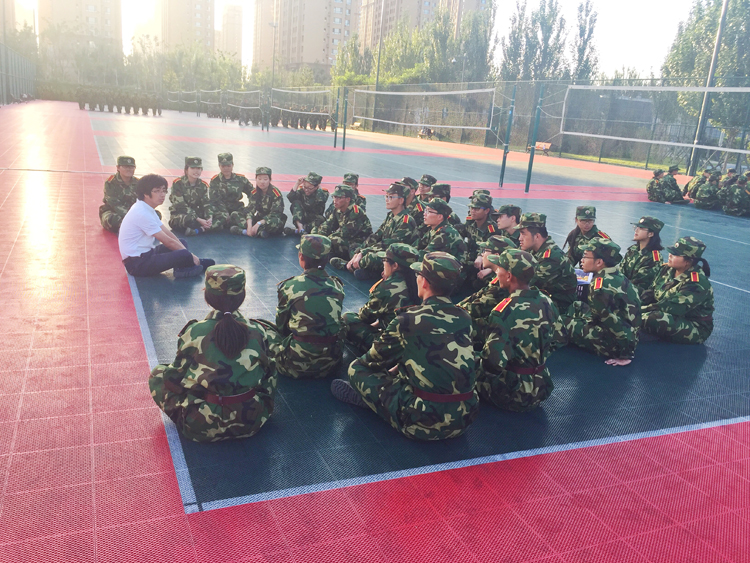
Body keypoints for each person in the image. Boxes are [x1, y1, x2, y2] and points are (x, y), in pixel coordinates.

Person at [333, 252, 479, 441]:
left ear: (424, 282)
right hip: (464, 418)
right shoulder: (464, 317)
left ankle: (372, 401)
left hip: (421, 423)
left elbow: (372, 360)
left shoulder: (408, 320)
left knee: (356, 369)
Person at [148, 265, 278, 442]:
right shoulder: (258, 331)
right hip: (251, 421)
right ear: (242, 296)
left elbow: (174, 379)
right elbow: (268, 373)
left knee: (157, 375)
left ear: (207, 296)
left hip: (201, 426)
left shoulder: (195, 331)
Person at [476, 249, 564, 411]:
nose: (497, 272)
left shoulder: (504, 311)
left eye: (499, 268)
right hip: (541, 386)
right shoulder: (546, 301)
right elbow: (560, 337)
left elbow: (492, 364)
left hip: (513, 392)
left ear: (509, 276)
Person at [270, 235, 344, 378]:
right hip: (330, 364)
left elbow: (281, 326)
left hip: (292, 365)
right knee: (343, 322)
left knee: (265, 330)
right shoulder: (337, 286)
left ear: (301, 257)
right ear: (327, 259)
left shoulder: (290, 286)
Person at [563, 239, 641, 366]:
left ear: (599, 262)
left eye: (585, 256)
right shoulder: (616, 275)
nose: (582, 260)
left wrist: (625, 355)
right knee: (577, 306)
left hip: (612, 343)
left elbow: (614, 323)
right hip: (631, 333)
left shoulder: (600, 287)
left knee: (561, 323)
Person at [119, 174, 214, 278]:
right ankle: (188, 264)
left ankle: (183, 267)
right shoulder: (142, 212)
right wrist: (192, 256)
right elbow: (167, 241)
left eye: (164, 190)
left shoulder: (146, 208)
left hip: (146, 254)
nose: (162, 194)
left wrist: (189, 254)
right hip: (137, 264)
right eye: (157, 191)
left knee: (181, 242)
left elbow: (167, 233)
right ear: (145, 193)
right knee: (182, 252)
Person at [342, 243, 420, 354]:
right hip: (416, 344)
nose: (383, 262)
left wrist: (384, 283)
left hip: (392, 347)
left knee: (348, 318)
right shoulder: (421, 283)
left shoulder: (386, 288)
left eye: (384, 260)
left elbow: (365, 317)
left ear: (395, 265)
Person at [641, 237, 714, 344]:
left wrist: (636, 311)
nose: (670, 255)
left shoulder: (697, 283)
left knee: (653, 318)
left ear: (688, 262)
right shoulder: (667, 269)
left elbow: (671, 307)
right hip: (670, 314)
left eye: (675, 254)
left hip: (693, 326)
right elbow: (650, 292)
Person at [340, 183, 419, 280]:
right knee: (355, 246)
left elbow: (389, 244)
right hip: (385, 251)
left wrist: (364, 252)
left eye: (391, 197)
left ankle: (353, 266)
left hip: (397, 258)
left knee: (371, 258)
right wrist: (360, 250)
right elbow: (376, 236)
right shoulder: (391, 216)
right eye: (386, 196)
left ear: (401, 200)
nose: (387, 199)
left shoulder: (406, 221)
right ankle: (359, 266)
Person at [457, 235, 515, 350]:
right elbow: (477, 296)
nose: (482, 254)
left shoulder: (501, 284)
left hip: (493, 331)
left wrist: (453, 310)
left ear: (496, 256)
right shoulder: (497, 277)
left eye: (485, 251)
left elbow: (478, 307)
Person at [518, 213, 578, 312]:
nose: (520, 238)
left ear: (537, 236)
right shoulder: (532, 250)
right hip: (544, 302)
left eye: (523, 234)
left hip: (560, 309)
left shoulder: (552, 257)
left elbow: (527, 285)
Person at [311, 184, 372, 262]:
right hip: (345, 238)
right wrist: (317, 235)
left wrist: (323, 239)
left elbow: (345, 234)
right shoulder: (338, 209)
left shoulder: (355, 212)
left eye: (339, 198)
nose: (335, 200)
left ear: (348, 199)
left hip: (358, 241)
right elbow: (328, 224)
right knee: (315, 231)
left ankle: (347, 263)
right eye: (334, 197)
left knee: (335, 240)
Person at [169, 157, 218, 236]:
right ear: (186, 169)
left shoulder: (203, 185)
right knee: (187, 220)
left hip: (197, 214)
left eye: (198, 168)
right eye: (192, 168)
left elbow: (206, 203)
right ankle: (202, 229)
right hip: (181, 214)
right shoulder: (178, 184)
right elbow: (181, 206)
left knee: (219, 215)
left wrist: (209, 217)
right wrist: (199, 219)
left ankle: (200, 229)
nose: (196, 171)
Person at [235, 166, 288, 237]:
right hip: (259, 217)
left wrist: (259, 223)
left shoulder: (275, 193)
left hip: (270, 219)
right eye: (259, 179)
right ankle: (256, 231)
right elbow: (250, 210)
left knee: (275, 223)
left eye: (265, 179)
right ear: (256, 179)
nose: (262, 182)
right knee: (235, 214)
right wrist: (249, 226)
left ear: (270, 180)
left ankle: (244, 231)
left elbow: (276, 213)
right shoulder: (254, 193)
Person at [208, 153, 253, 231]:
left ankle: (242, 229)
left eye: (228, 166)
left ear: (232, 165)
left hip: (236, 208)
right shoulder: (215, 181)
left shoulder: (241, 179)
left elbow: (253, 194)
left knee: (240, 217)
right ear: (219, 166)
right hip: (220, 209)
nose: (226, 168)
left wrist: (250, 208)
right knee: (217, 217)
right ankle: (202, 229)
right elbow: (214, 200)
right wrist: (225, 212)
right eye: (223, 166)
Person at [621, 216, 664, 295]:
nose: (636, 230)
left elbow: (641, 284)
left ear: (650, 234)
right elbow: (621, 271)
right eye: (636, 227)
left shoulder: (653, 258)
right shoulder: (633, 249)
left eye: (641, 228)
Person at [417, 199, 467, 266]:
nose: (424, 214)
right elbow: (419, 245)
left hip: (453, 270)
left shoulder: (445, 233)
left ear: (440, 217)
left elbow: (424, 257)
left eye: (429, 211)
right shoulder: (434, 229)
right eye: (425, 210)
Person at [463, 193, 498, 286]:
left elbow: (491, 246)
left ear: (487, 211)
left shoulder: (492, 228)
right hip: (470, 259)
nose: (472, 211)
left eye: (477, 209)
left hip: (482, 263)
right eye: (471, 208)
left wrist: (480, 255)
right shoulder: (470, 222)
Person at [100, 156, 139, 233]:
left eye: (131, 167)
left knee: (156, 215)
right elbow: (114, 204)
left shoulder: (138, 183)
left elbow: (142, 202)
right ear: (118, 168)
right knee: (114, 220)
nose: (129, 169)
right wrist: (131, 216)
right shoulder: (110, 182)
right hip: (114, 211)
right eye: (125, 167)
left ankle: (133, 225)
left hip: (133, 212)